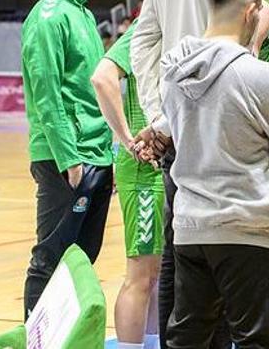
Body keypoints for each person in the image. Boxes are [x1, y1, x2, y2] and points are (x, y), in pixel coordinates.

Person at [129, 0, 269, 346]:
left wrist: (162, 116)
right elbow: (246, 46)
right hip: (226, 137)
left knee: (184, 270)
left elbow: (144, 38)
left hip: (182, 134)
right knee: (238, 284)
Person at [160, 0, 269, 348]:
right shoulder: (257, 76)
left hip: (190, 225)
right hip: (247, 227)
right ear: (252, 10)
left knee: (187, 338)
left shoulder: (172, 69)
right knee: (256, 340)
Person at [20, 0, 113, 317]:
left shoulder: (84, 13)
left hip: (97, 155)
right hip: (68, 160)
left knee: (80, 261)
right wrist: (69, 159)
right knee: (50, 260)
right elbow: (47, 97)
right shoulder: (47, 17)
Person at [91, 19, 164, 349]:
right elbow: (102, 77)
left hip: (168, 168)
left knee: (159, 276)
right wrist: (127, 140)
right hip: (143, 171)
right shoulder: (144, 30)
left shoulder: (180, 26)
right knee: (142, 275)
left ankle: (151, 343)